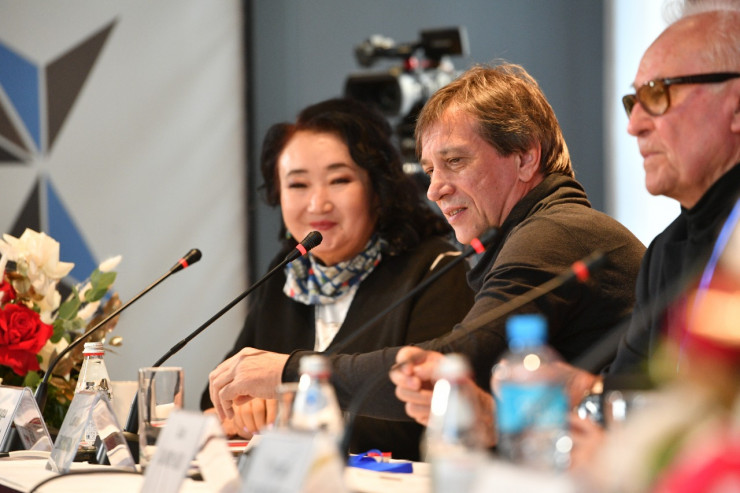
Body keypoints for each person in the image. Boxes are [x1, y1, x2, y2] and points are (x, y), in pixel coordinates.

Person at [207, 63, 646, 450]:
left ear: (525, 157)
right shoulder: (527, 234)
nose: (435, 190)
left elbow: (456, 364)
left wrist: (291, 374)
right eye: (431, 169)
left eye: (455, 161)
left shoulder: (553, 232)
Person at [393, 5, 740, 456]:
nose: (634, 125)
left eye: (659, 94)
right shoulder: (669, 249)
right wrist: (511, 416)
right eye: (633, 102)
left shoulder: (558, 233)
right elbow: (638, 416)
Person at [199, 97, 475, 460]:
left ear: (377, 190)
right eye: (298, 185)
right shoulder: (287, 273)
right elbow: (218, 396)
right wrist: (240, 409)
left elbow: (422, 416)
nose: (318, 204)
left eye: (339, 180)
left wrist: (286, 406)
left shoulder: (435, 269)